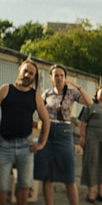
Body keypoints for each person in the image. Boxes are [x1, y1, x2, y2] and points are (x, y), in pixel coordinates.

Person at [34, 64, 93, 205]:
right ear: (51, 78)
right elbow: (38, 110)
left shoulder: (72, 93)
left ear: (65, 78)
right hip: (47, 132)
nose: (59, 78)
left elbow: (89, 102)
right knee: (46, 175)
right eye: (56, 75)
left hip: (65, 132)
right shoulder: (46, 93)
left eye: (61, 75)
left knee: (69, 175)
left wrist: (78, 86)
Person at [0, 60, 50, 205]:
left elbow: (46, 121)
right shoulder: (5, 89)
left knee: (24, 186)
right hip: (4, 145)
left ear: (34, 77)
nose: (27, 75)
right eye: (25, 71)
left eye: (31, 73)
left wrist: (41, 143)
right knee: (2, 186)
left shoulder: (35, 96)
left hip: (26, 147)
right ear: (19, 71)